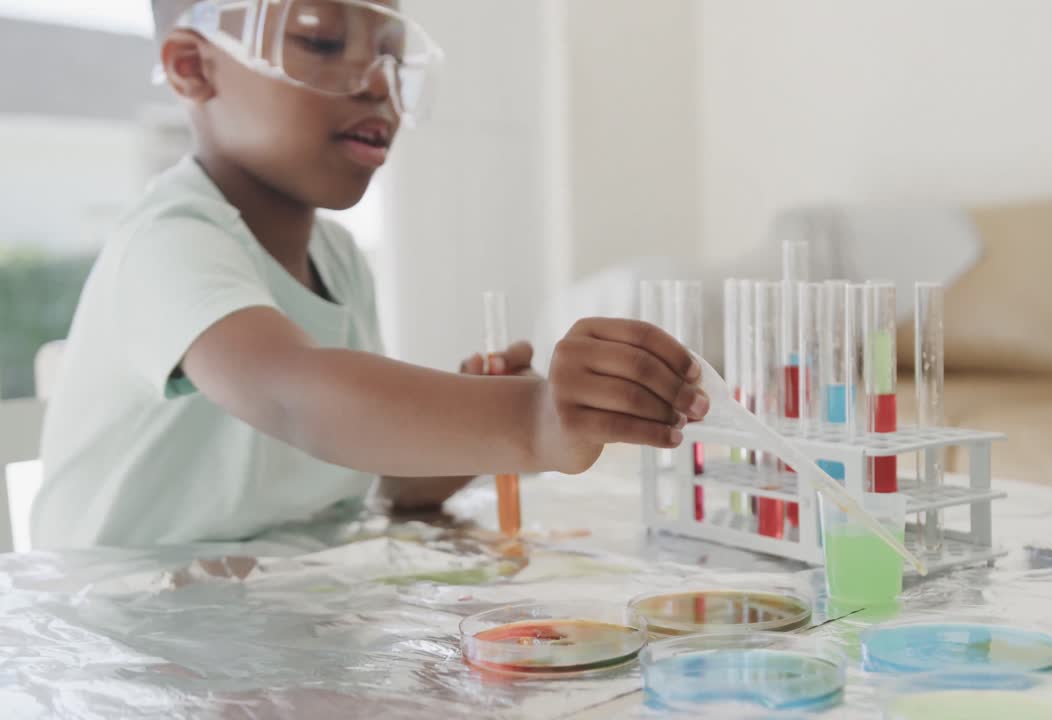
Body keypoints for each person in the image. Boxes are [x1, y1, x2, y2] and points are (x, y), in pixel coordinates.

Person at [30, 0, 709, 548]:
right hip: (126, 643)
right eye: (322, 41)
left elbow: (361, 476)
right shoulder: (169, 242)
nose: (377, 82)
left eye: (392, 55)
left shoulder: (338, 258)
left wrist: (466, 431)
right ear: (191, 67)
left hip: (260, 627)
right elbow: (293, 397)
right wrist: (532, 419)